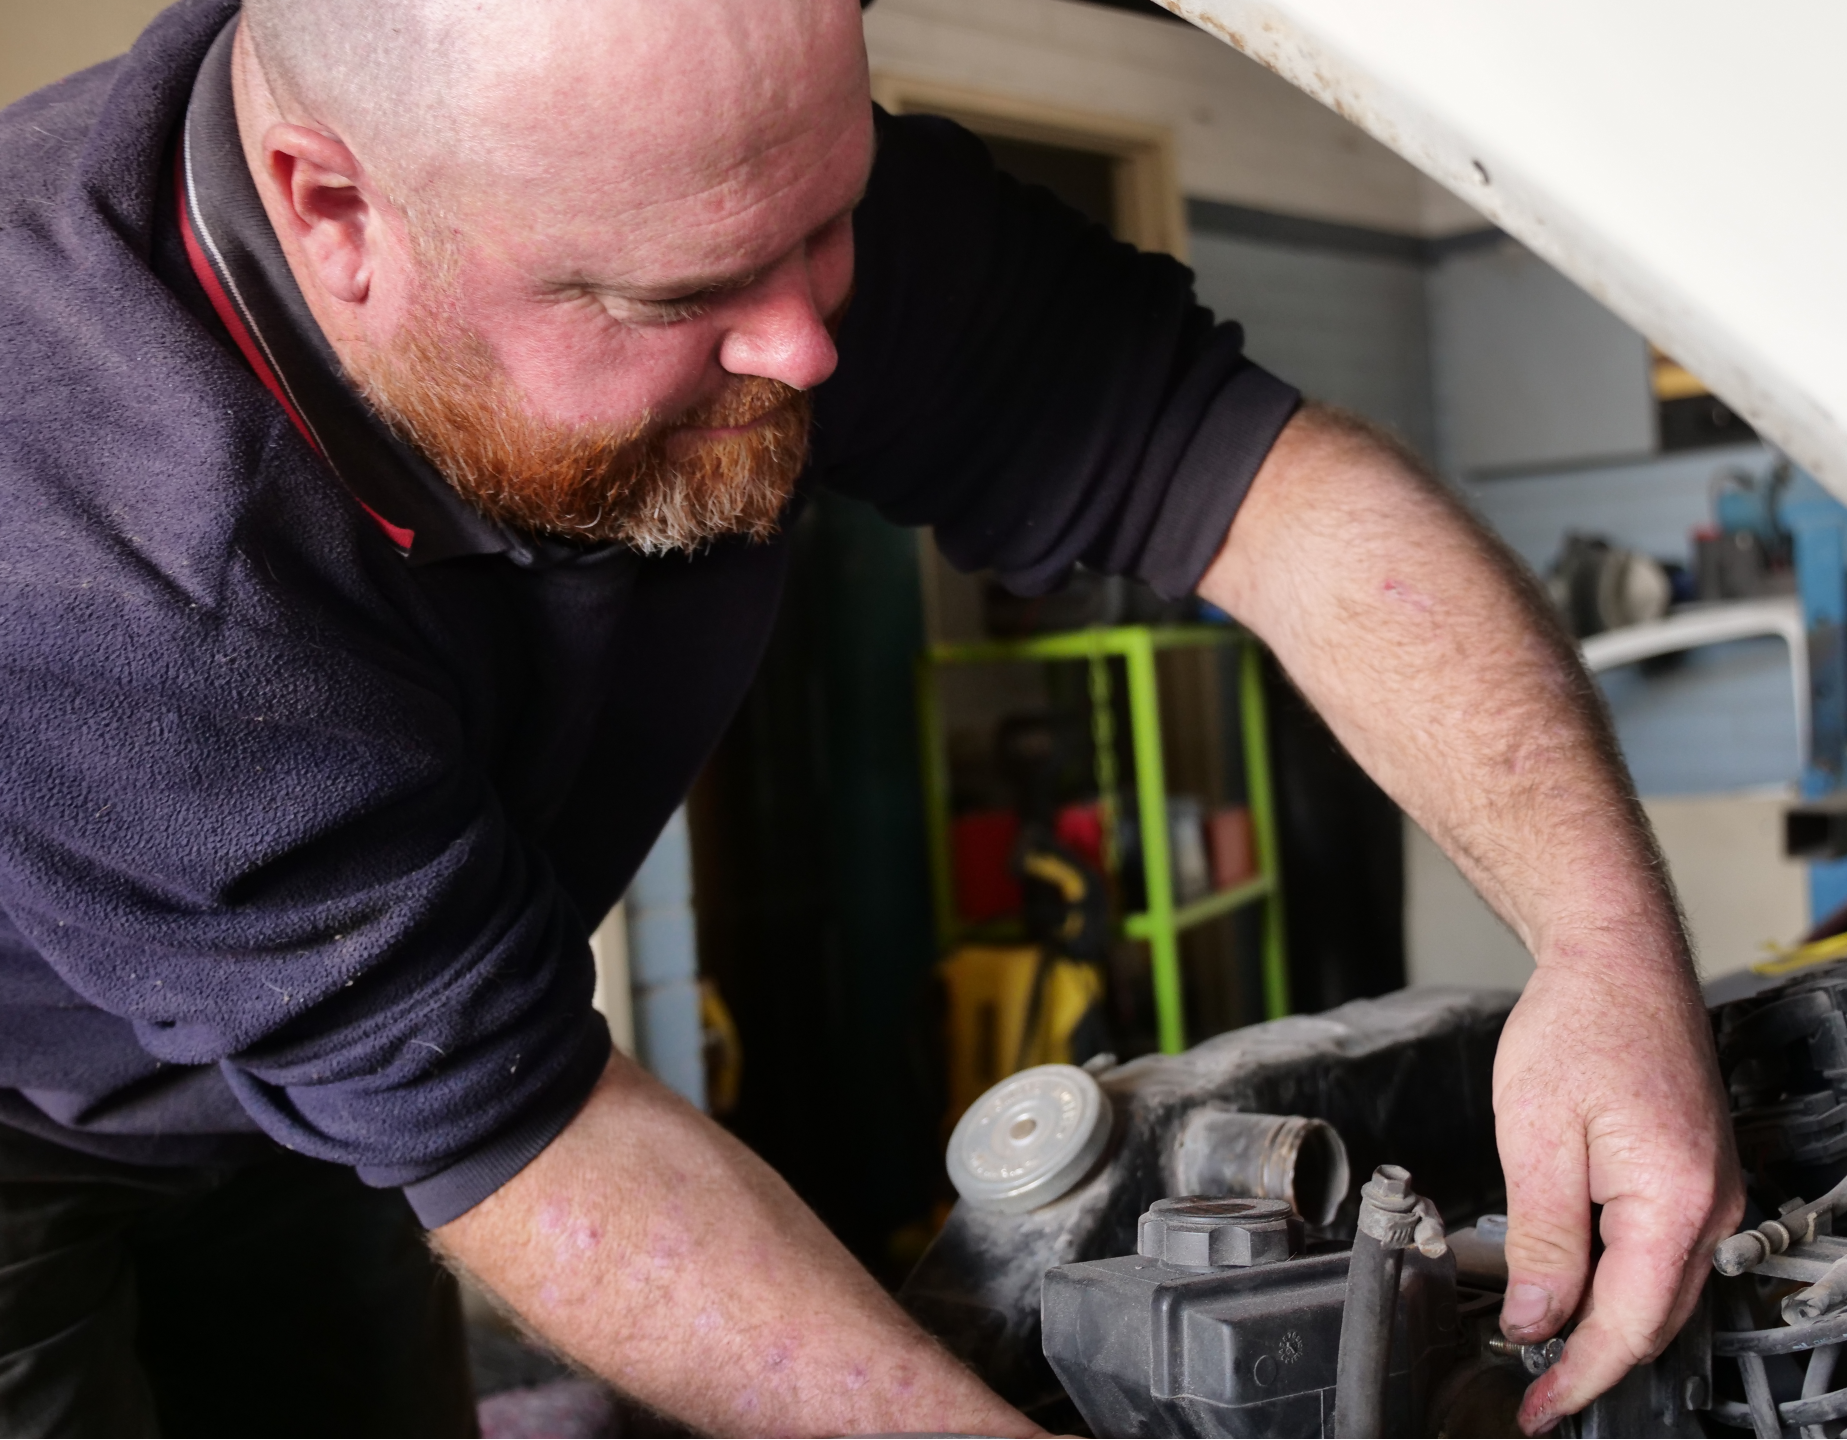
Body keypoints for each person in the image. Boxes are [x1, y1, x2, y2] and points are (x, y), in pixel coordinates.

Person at [0, 0, 1739, 1434]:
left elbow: (1263, 486)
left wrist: (1605, 953)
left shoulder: (713, 184)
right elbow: (525, 1135)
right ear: (332, 210)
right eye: (683, 298)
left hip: (327, 1099)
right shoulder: (87, 549)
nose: (808, 346)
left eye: (825, 224)